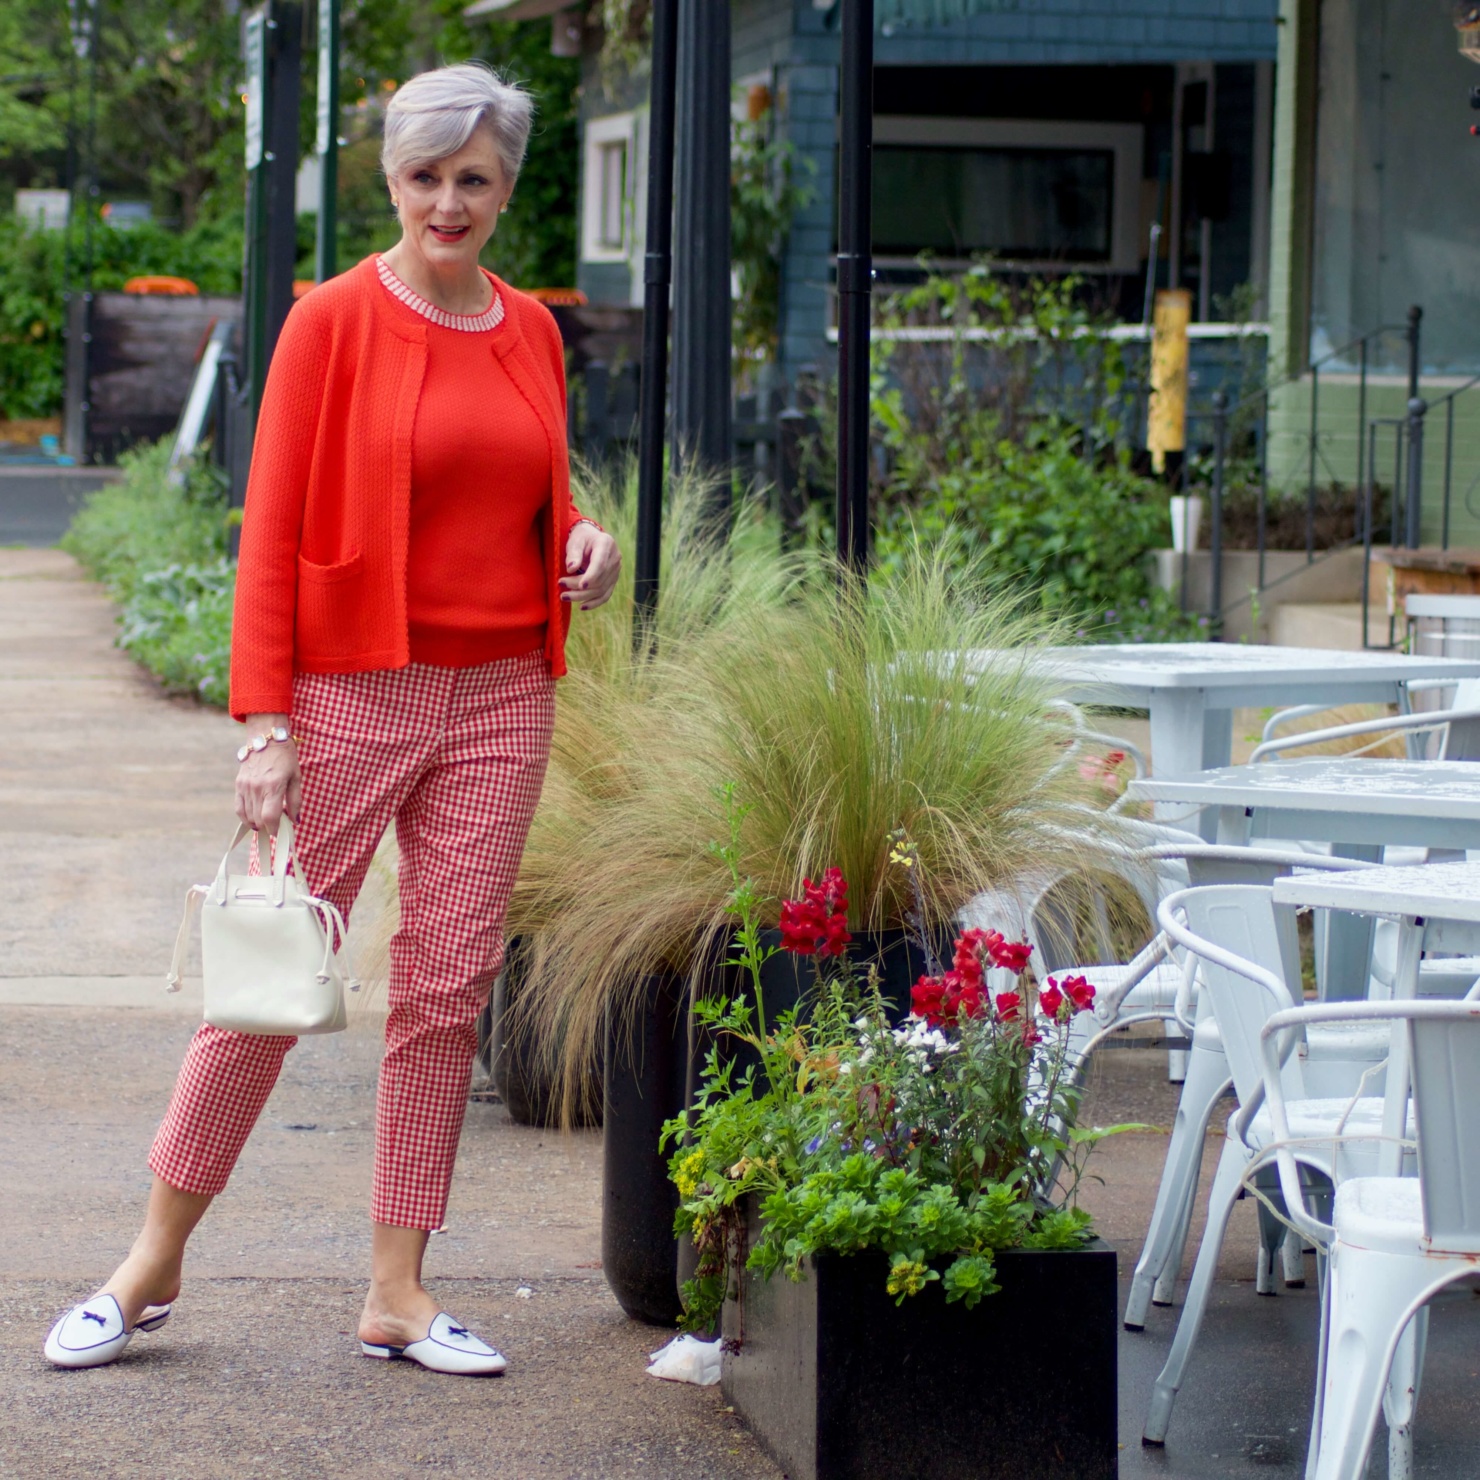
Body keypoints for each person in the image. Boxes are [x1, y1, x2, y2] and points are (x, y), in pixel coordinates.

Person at [44, 62, 621, 1377]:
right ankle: (151, 1262)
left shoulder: (531, 328)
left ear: (506, 187)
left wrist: (584, 540)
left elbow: (541, 490)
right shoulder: (331, 321)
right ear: (393, 179)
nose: (448, 201)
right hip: (357, 690)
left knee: (445, 991)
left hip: (502, 698)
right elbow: (272, 535)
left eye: (474, 178)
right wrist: (264, 725)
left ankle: (399, 1291)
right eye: (426, 175)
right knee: (268, 981)